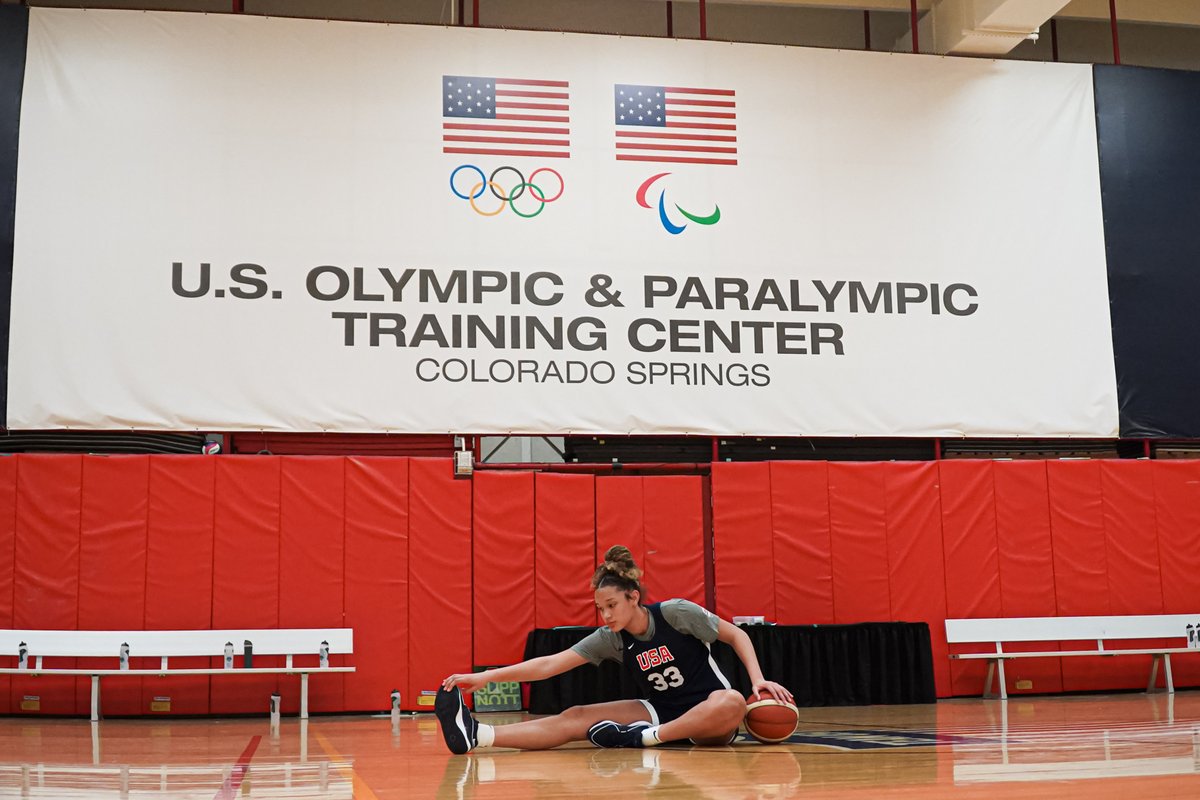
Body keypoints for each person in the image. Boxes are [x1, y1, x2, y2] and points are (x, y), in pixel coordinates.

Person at [435, 545, 794, 753]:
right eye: (600, 608)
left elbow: (736, 635)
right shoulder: (612, 637)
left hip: (710, 718)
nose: (606, 615)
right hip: (661, 711)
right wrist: (486, 677)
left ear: (633, 597)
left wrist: (758, 680)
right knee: (575, 714)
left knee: (730, 700)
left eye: (612, 606)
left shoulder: (675, 613)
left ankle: (643, 738)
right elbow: (548, 665)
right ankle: (478, 736)